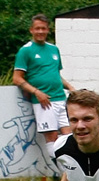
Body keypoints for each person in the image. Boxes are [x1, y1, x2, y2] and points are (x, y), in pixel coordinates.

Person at [13, 14, 76, 165]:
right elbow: (17, 78)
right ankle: (60, 169)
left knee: (70, 135)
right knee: (52, 135)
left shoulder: (54, 49)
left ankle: (71, 167)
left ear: (48, 30)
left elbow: (56, 75)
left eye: (43, 28)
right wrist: (36, 92)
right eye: (37, 28)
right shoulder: (25, 51)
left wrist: (71, 88)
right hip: (44, 101)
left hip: (61, 98)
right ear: (31, 30)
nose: (40, 31)